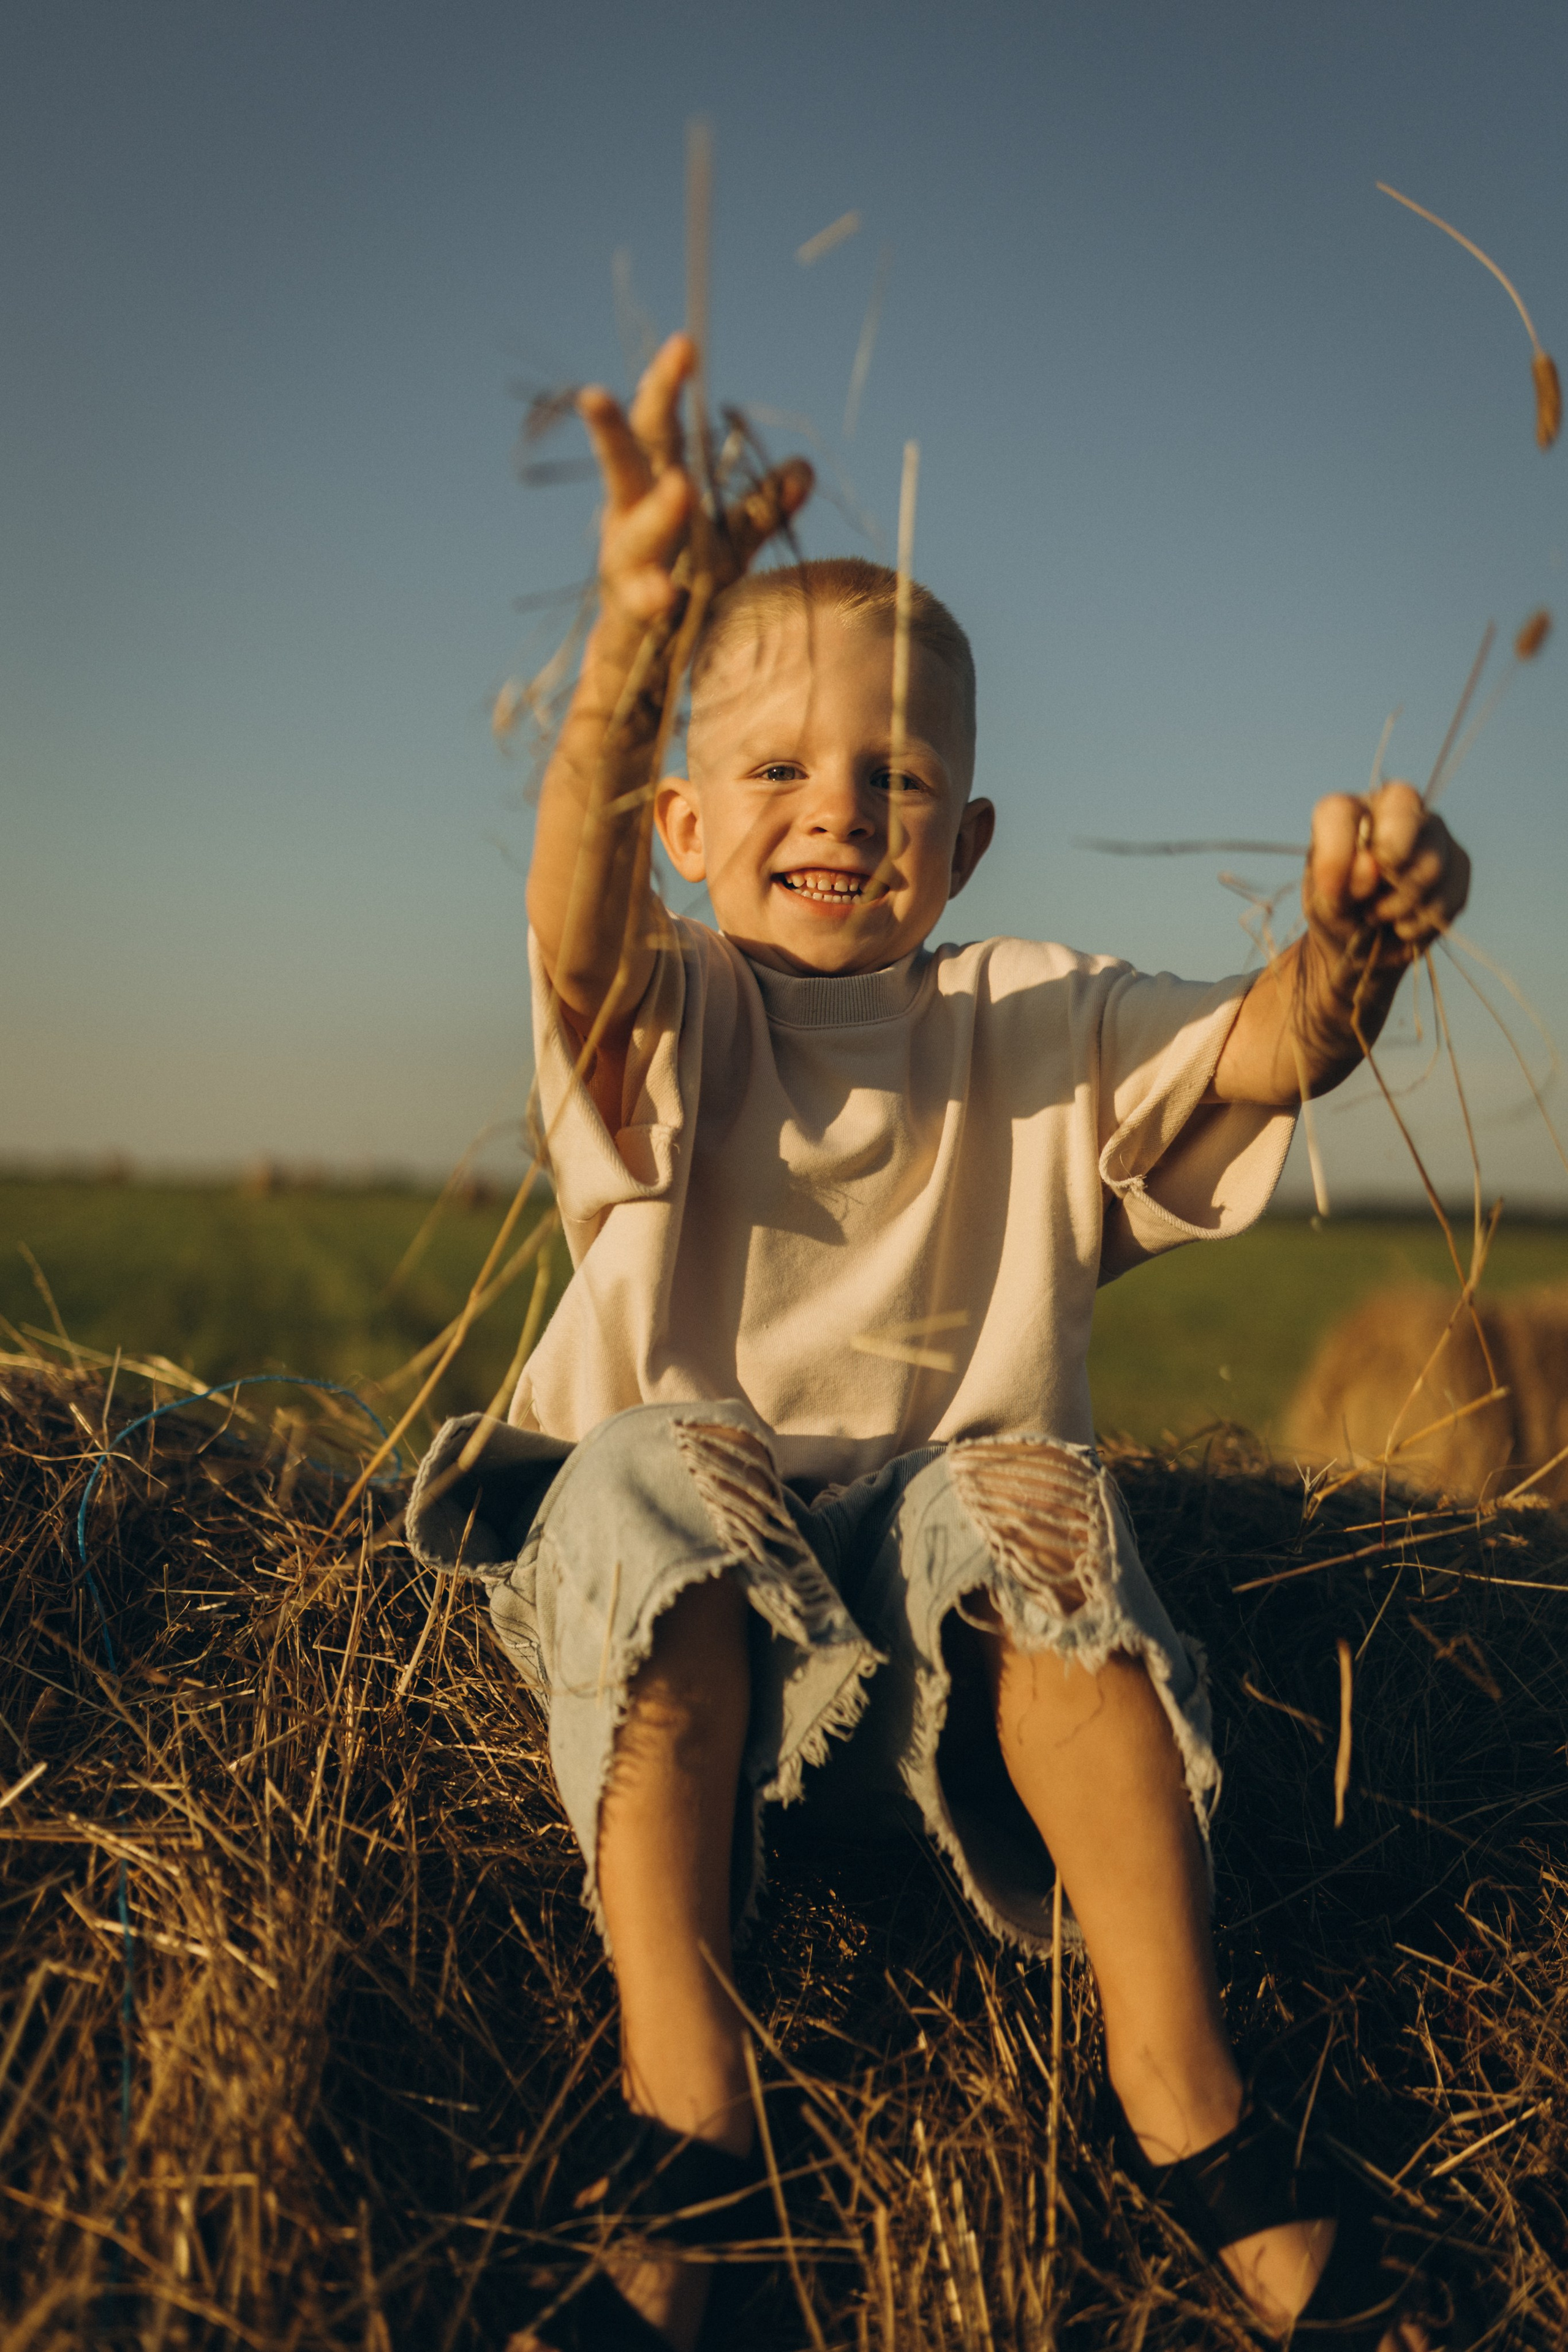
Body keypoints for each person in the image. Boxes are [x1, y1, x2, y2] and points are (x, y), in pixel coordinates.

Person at [408, 333, 1468, 2352]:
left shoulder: (1036, 1019)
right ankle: (691, 2116)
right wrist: (632, 645)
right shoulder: (677, 1007)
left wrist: (1353, 951)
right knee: (667, 1454)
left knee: (1029, 1495)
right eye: (784, 771)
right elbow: (568, 931)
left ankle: (1191, 2105)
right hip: (656, 1619)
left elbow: (1270, 1045)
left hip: (910, 1665)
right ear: (688, 825)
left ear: (965, 842)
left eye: (899, 776)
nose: (842, 809)